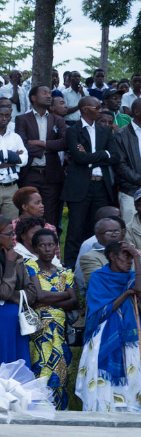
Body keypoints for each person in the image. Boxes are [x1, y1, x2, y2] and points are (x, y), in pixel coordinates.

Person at [76, 240, 141, 411]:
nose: (129, 261)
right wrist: (126, 293)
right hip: (103, 334)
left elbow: (139, 289)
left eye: (131, 258)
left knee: (132, 372)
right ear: (112, 256)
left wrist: (137, 257)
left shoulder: (132, 276)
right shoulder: (98, 277)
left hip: (129, 335)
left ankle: (130, 411)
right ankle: (103, 409)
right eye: (126, 256)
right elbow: (101, 312)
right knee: (102, 376)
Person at [0, 213, 39, 384]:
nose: (14, 238)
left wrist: (5, 294)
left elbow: (32, 292)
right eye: (9, 234)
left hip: (18, 317)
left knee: (19, 362)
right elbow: (3, 291)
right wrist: (9, 265)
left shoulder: (17, 257)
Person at [25, 227, 77, 410]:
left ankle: (59, 415)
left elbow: (74, 301)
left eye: (51, 245)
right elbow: (37, 295)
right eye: (42, 245)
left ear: (56, 246)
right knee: (41, 370)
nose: (47, 249)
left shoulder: (65, 272)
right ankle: (38, 412)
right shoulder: (30, 266)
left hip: (60, 331)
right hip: (39, 331)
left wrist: (49, 299)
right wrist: (63, 295)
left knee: (61, 373)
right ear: (35, 248)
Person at [62, 96, 119, 266]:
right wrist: (102, 154)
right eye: (97, 108)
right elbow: (78, 158)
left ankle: (97, 267)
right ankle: (70, 270)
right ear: (85, 109)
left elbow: (114, 156)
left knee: (99, 229)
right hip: (80, 187)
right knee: (75, 230)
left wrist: (89, 157)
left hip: (101, 185)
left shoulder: (105, 131)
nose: (101, 110)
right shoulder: (73, 131)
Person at [15, 86, 66, 231]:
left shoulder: (57, 119)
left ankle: (50, 247)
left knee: (50, 214)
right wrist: (48, 149)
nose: (49, 96)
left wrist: (40, 143)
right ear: (33, 98)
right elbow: (23, 144)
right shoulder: (22, 119)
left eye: (49, 93)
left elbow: (64, 143)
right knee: (27, 214)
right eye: (44, 93)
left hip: (51, 174)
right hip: (30, 173)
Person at [113, 99, 141, 225]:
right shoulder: (120, 134)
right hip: (130, 191)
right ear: (137, 112)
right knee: (130, 232)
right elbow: (120, 166)